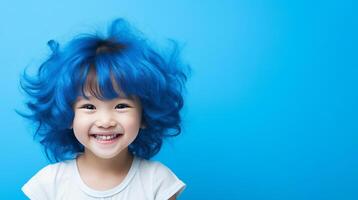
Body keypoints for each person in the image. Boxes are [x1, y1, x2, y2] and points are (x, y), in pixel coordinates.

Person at [20, 18, 189, 199]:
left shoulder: (158, 182)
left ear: (145, 116)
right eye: (89, 106)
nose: (105, 122)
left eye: (121, 106)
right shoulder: (49, 184)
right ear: (67, 115)